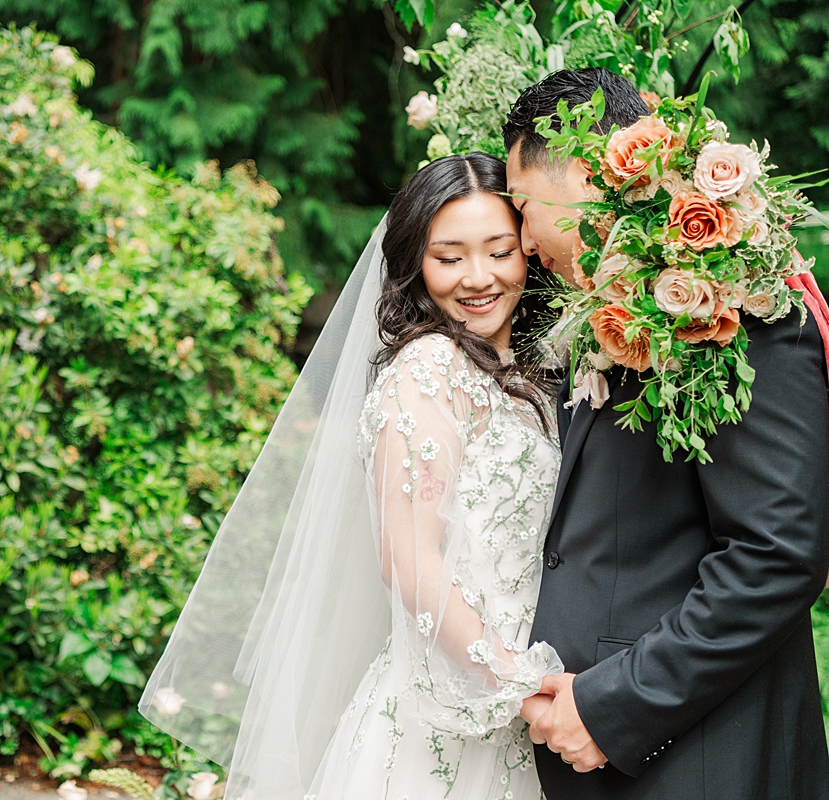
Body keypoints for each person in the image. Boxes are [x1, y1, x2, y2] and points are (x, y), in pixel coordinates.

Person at [140, 152, 565, 799]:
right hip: (448, 717)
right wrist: (513, 679)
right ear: (417, 264)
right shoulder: (428, 370)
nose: (478, 277)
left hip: (520, 713)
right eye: (449, 257)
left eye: (499, 251)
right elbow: (410, 560)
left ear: (527, 251)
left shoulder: (528, 371)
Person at [502, 67, 829, 800]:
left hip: (700, 757)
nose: (521, 240)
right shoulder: (598, 295)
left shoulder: (739, 301)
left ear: (582, 173)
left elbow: (776, 554)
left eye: (523, 208)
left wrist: (611, 706)